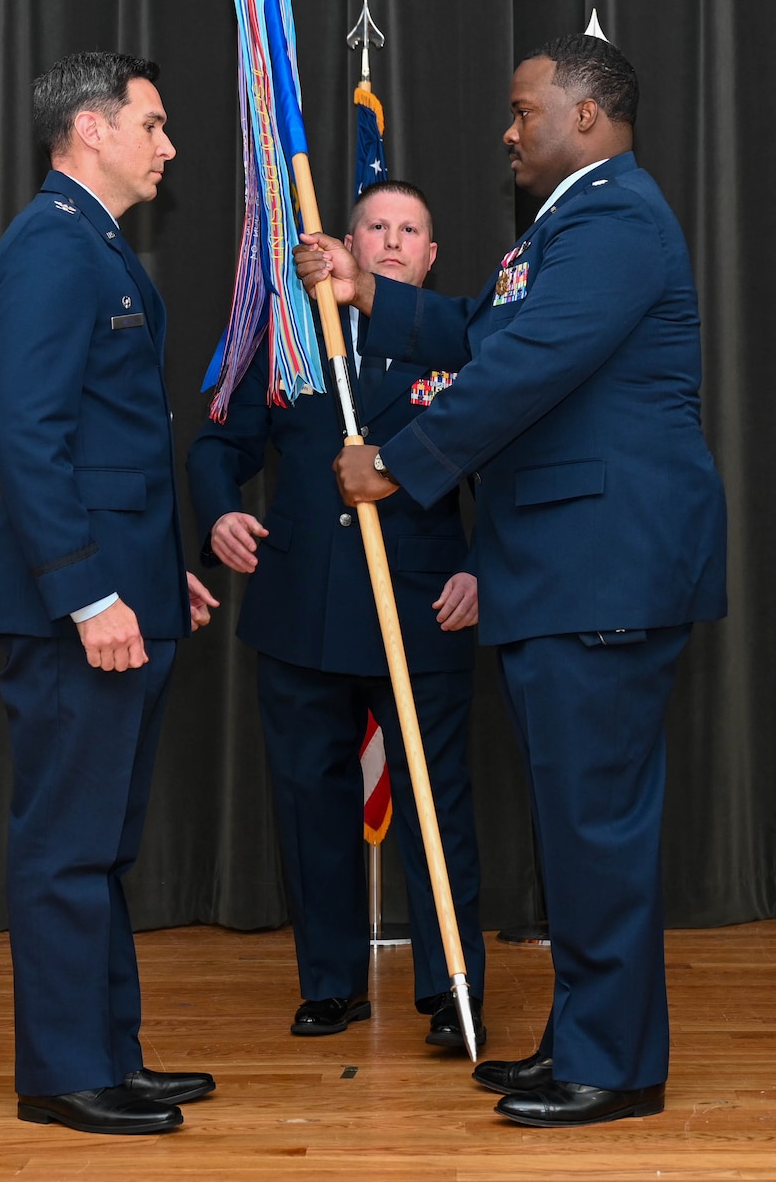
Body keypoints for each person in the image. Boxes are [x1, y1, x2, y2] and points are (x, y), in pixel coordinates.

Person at [296, 33, 728, 1128]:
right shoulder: (561, 228)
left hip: (605, 567)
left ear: (585, 115)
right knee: (575, 826)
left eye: (524, 110)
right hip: (561, 570)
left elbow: (529, 368)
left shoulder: (617, 220)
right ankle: (585, 1040)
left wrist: (398, 463)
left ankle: (614, 1065)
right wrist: (366, 291)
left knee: (597, 826)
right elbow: (478, 332)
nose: (508, 129)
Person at [0, 50, 222, 1136]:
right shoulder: (50, 245)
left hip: (126, 595)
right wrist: (86, 596)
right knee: (65, 847)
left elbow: (111, 445)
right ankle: (63, 1072)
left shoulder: (98, 244)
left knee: (102, 846)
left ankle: (110, 1054)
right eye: (152, 125)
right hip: (75, 614)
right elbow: (28, 438)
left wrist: (157, 571)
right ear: (91, 129)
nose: (169, 147)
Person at [186, 179, 488, 1050]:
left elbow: (507, 473)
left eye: (410, 230)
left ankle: (450, 987)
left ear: (432, 255)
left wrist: (484, 570)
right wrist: (220, 511)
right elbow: (218, 444)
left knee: (436, 807)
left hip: (422, 611)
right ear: (345, 245)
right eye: (376, 226)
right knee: (310, 804)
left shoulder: (465, 351)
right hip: (302, 613)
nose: (391, 241)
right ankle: (331, 982)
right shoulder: (295, 340)